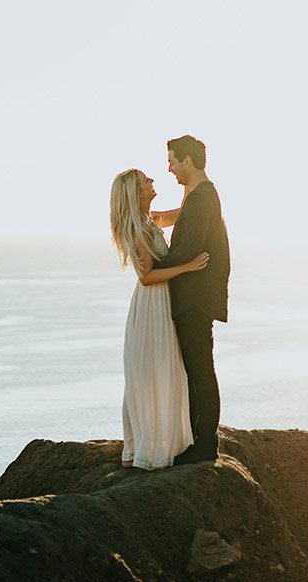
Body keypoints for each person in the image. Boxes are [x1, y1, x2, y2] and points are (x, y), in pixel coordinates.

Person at [109, 168, 209, 469]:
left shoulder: (149, 220)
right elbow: (147, 277)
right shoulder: (138, 228)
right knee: (154, 370)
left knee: (159, 369)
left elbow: (181, 213)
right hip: (153, 303)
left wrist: (192, 181)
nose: (153, 182)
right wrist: (188, 267)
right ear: (137, 193)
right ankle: (146, 446)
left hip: (161, 302)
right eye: (146, 181)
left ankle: (149, 440)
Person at [153, 135, 231, 465]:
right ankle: (198, 440)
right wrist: (149, 218)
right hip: (195, 296)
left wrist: (153, 266)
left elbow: (190, 248)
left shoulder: (203, 198)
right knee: (196, 370)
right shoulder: (198, 195)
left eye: (172, 161)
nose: (169, 168)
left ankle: (205, 445)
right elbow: (177, 220)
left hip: (196, 298)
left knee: (200, 370)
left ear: (188, 161)